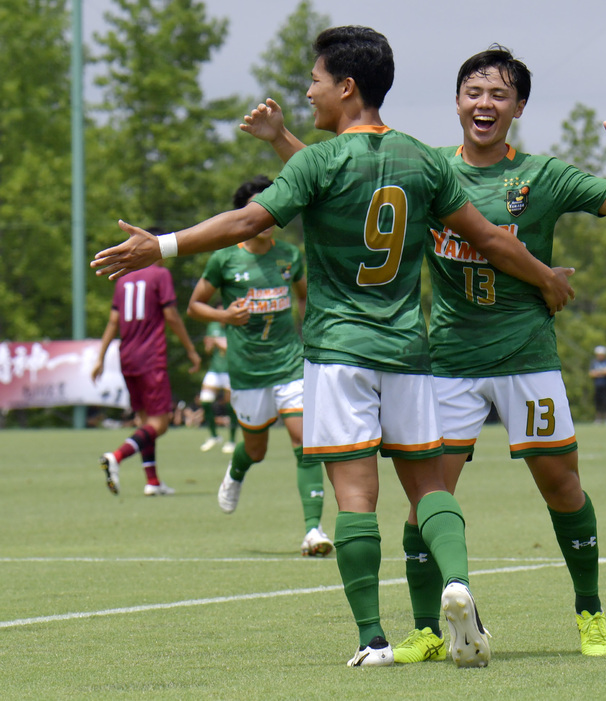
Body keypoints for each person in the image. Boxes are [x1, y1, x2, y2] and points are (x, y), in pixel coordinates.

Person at [92, 26, 573, 669]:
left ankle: (373, 639)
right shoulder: (423, 160)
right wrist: (544, 277)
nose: (310, 92)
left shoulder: (317, 163)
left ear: (346, 87)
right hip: (408, 352)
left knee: (354, 497)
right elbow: (488, 236)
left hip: (338, 353)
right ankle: (456, 582)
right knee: (429, 488)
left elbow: (248, 221)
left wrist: (164, 244)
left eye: (315, 80)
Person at [242, 44, 606, 661]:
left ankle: (590, 612)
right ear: (458, 101)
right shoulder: (430, 165)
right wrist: (282, 140)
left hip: (526, 356)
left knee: (562, 485)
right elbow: (339, 180)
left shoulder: (540, 176)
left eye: (498, 94)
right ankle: (428, 630)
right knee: (426, 500)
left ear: (517, 106)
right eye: (473, 92)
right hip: (447, 361)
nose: (484, 104)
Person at [187, 175, 333, 558]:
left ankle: (313, 530)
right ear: (244, 216)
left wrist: (312, 340)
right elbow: (195, 306)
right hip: (248, 372)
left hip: (289, 365)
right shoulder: (224, 258)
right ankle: (236, 472)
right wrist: (225, 314)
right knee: (255, 449)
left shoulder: (290, 255)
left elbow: (304, 298)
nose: (270, 216)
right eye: (260, 209)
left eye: (276, 207)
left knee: (305, 444)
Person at [91, 256, 201, 496]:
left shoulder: (123, 279)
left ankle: (152, 482)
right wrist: (191, 349)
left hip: (127, 357)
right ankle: (116, 457)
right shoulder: (160, 274)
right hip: (151, 357)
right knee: (159, 424)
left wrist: (100, 357)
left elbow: (112, 321)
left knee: (145, 423)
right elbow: (171, 315)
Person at [198, 315, 238, 453]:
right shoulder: (213, 326)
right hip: (215, 370)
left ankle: (232, 440)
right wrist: (209, 344)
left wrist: (218, 342)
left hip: (230, 370)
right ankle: (214, 436)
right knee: (205, 401)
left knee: (230, 405)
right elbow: (208, 350)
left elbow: (232, 347)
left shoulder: (234, 326)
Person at [589, 345, 606, 424]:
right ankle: (598, 419)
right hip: (597, 386)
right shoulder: (594, 362)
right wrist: (602, 372)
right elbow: (591, 373)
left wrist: (598, 372)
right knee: (598, 403)